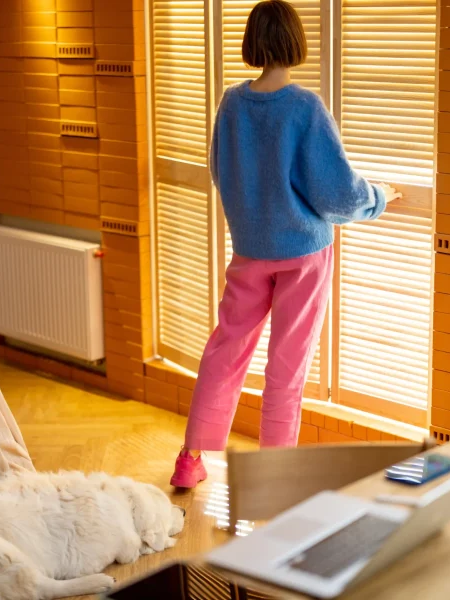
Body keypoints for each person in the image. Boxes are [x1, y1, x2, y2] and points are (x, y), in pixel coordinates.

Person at [170, 0, 400, 489]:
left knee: (225, 349)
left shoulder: (231, 104)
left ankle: (189, 459)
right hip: (302, 255)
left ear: (252, 41)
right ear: (295, 41)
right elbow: (339, 192)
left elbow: (220, 171)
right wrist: (381, 197)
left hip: (249, 250)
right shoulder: (304, 107)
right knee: (286, 366)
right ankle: (275, 478)